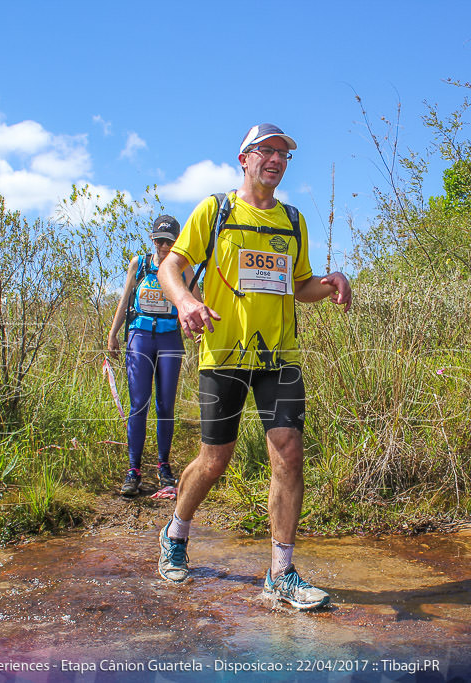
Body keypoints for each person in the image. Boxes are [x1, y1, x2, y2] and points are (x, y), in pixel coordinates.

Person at [155, 123, 352, 610]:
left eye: (284, 154)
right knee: (214, 460)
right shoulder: (215, 210)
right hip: (223, 354)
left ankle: (281, 573)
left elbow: (298, 285)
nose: (276, 160)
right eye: (266, 151)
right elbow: (170, 268)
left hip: (278, 357)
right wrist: (183, 302)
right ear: (243, 158)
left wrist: (329, 283)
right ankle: (176, 532)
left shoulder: (292, 220)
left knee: (288, 452)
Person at [107, 215, 195, 496]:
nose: (163, 246)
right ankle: (133, 470)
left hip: (170, 338)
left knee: (165, 406)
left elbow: (197, 300)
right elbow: (124, 299)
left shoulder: (185, 268)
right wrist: (112, 334)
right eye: (158, 240)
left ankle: (164, 466)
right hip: (139, 337)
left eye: (168, 242)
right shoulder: (140, 264)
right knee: (138, 405)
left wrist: (205, 329)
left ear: (176, 242)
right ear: (152, 238)